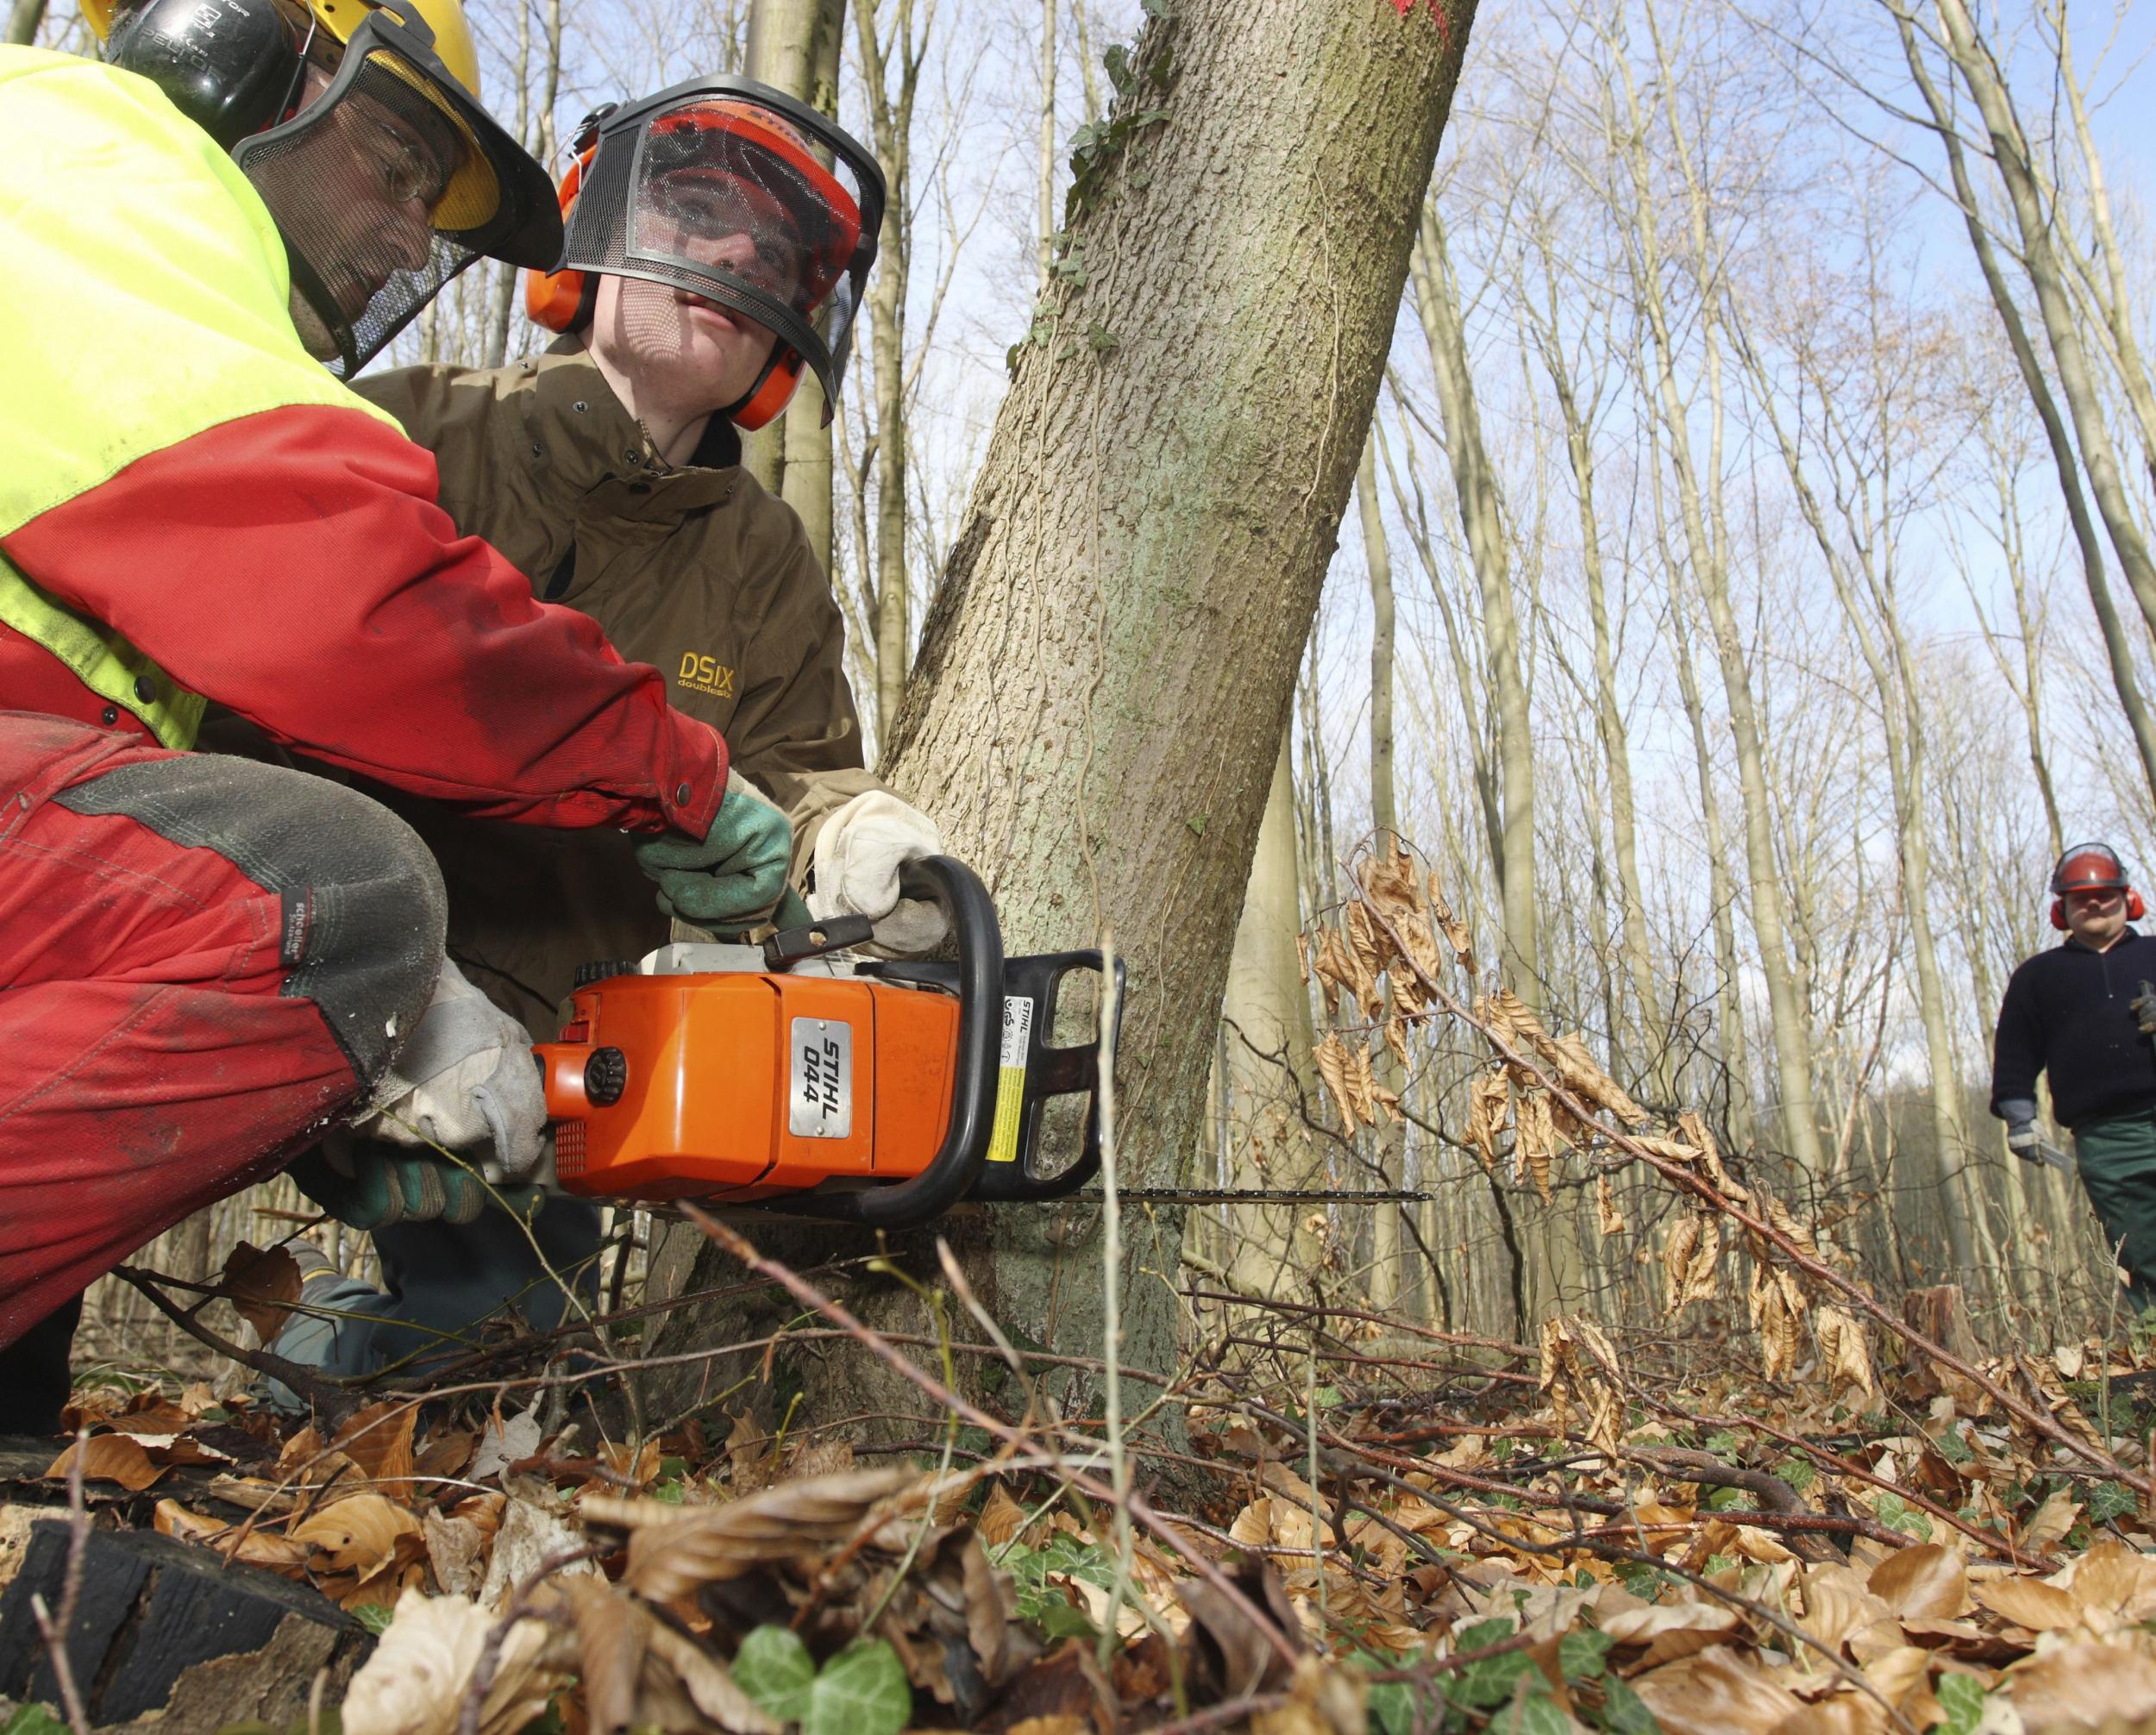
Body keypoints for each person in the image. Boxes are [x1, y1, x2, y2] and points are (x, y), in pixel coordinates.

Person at [0, 0, 794, 1427]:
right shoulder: (93, 180)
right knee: (344, 904)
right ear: (223, 40)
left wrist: (841, 828)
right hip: (370, 988)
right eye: (394, 157)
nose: (413, 235)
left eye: (438, 201)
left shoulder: (762, 561)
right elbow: (363, 605)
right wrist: (662, 779)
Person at [260, 77, 955, 1381]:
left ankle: (327, 1354)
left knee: (489, 1370)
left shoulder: (763, 561)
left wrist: (854, 834)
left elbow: (790, 779)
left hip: (556, 1077)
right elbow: (233, 713)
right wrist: (372, 1001)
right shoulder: (409, 434)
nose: (738, 256)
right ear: (596, 235)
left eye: (777, 250)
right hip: (296, 960)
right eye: (700, 211)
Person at [1992, 842, 2156, 1308]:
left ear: (2128, 899)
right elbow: (2016, 1054)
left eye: (2105, 893)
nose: (2095, 903)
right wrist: (2020, 1119)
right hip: (2109, 1138)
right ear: (2061, 908)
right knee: (2139, 1251)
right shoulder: (2038, 977)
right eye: (2081, 897)